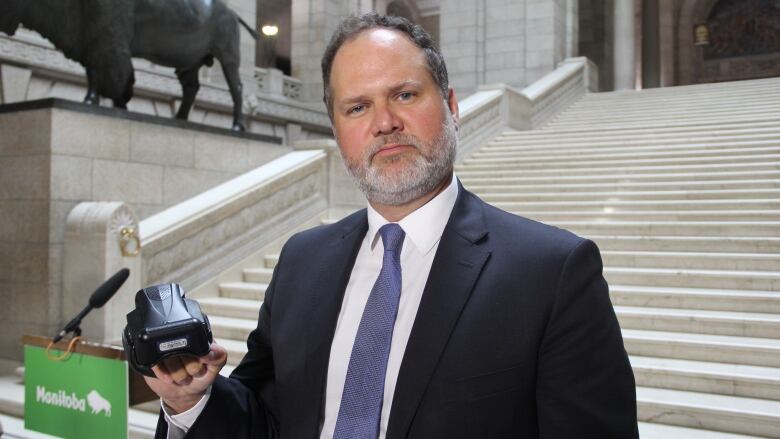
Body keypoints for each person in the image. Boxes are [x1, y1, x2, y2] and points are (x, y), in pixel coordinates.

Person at [145, 12, 639, 439]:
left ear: (450, 106)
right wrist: (191, 401)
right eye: (357, 107)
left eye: (403, 94)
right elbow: (267, 422)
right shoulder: (302, 261)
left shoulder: (553, 273)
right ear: (337, 130)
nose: (384, 123)